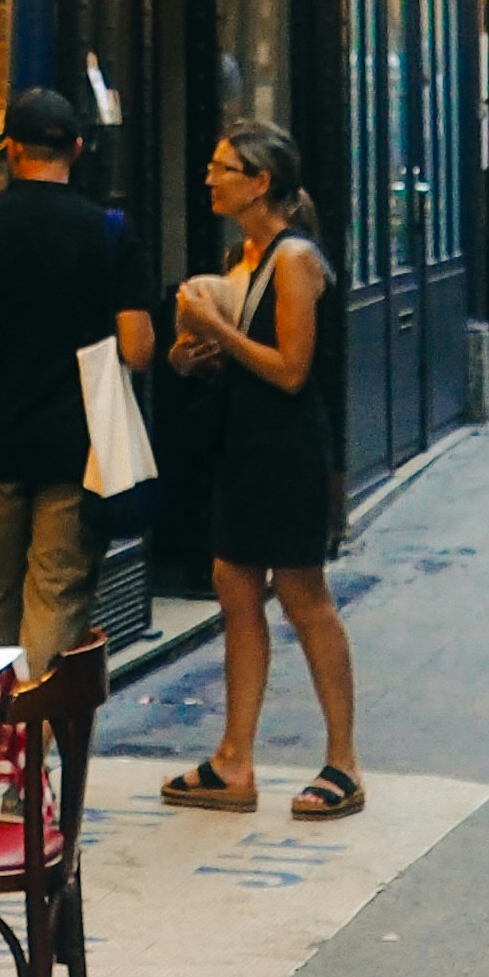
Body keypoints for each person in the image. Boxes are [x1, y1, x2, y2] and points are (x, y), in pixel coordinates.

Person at [0, 83, 153, 673]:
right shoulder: (110, 232)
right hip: (76, 450)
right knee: (55, 598)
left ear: (9, 149)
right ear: (75, 149)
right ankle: (29, 743)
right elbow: (139, 348)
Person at [158, 123, 361, 820]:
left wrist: (217, 331)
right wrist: (193, 351)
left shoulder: (294, 257)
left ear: (259, 181)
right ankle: (233, 757)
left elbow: (291, 368)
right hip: (244, 442)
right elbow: (240, 357)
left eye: (223, 167)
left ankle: (344, 760)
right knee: (234, 586)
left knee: (304, 593)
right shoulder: (241, 257)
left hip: (287, 446)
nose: (209, 177)